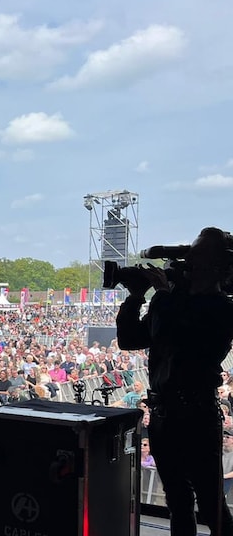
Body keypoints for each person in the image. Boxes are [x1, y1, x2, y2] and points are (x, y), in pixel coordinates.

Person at [116, 226, 233, 536]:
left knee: (211, 506)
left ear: (218, 269)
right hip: (164, 415)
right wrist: (136, 297)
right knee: (177, 502)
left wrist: (165, 294)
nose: (190, 265)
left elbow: (180, 336)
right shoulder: (171, 300)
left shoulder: (222, 309)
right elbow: (129, 339)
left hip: (196, 415)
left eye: (197, 259)